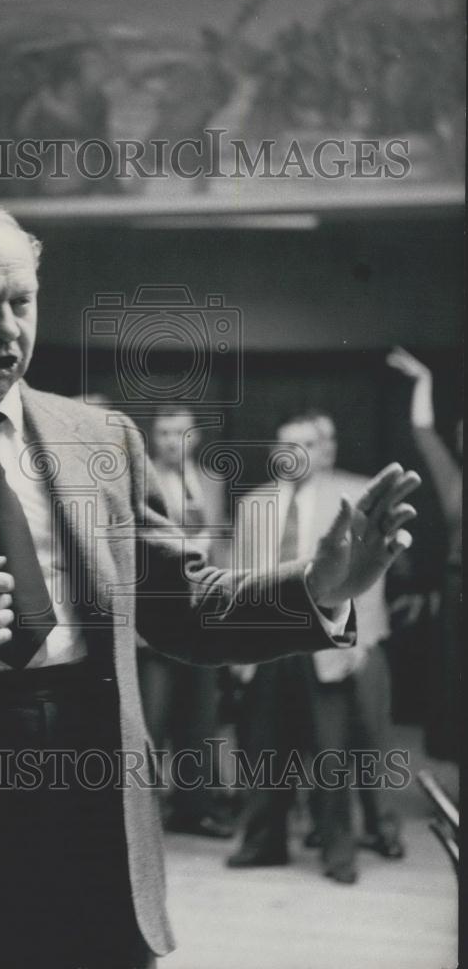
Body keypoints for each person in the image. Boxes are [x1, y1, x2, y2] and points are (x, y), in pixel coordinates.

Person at [0, 202, 419, 969]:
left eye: (21, 302)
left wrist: (316, 587)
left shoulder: (105, 443)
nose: (8, 329)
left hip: (94, 830)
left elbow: (184, 609)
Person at [227, 413, 403, 884]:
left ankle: (337, 852)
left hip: (326, 641)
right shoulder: (253, 505)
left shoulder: (355, 497)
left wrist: (357, 642)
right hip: (267, 646)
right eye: (285, 445)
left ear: (325, 449)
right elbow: (238, 581)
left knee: (330, 753)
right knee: (264, 749)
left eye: (305, 444)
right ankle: (263, 843)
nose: (293, 454)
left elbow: (370, 580)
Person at [137, 408, 233, 837]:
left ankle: (194, 810)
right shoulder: (140, 480)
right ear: (153, 438)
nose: (173, 440)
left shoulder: (213, 480)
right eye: (164, 433)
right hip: (156, 623)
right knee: (149, 721)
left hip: (204, 620)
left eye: (181, 433)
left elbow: (223, 545)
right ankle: (139, 817)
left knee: (200, 720)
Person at [386, 347, 461, 761]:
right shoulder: (454, 479)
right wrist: (424, 380)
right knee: (453, 678)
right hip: (457, 588)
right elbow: (423, 430)